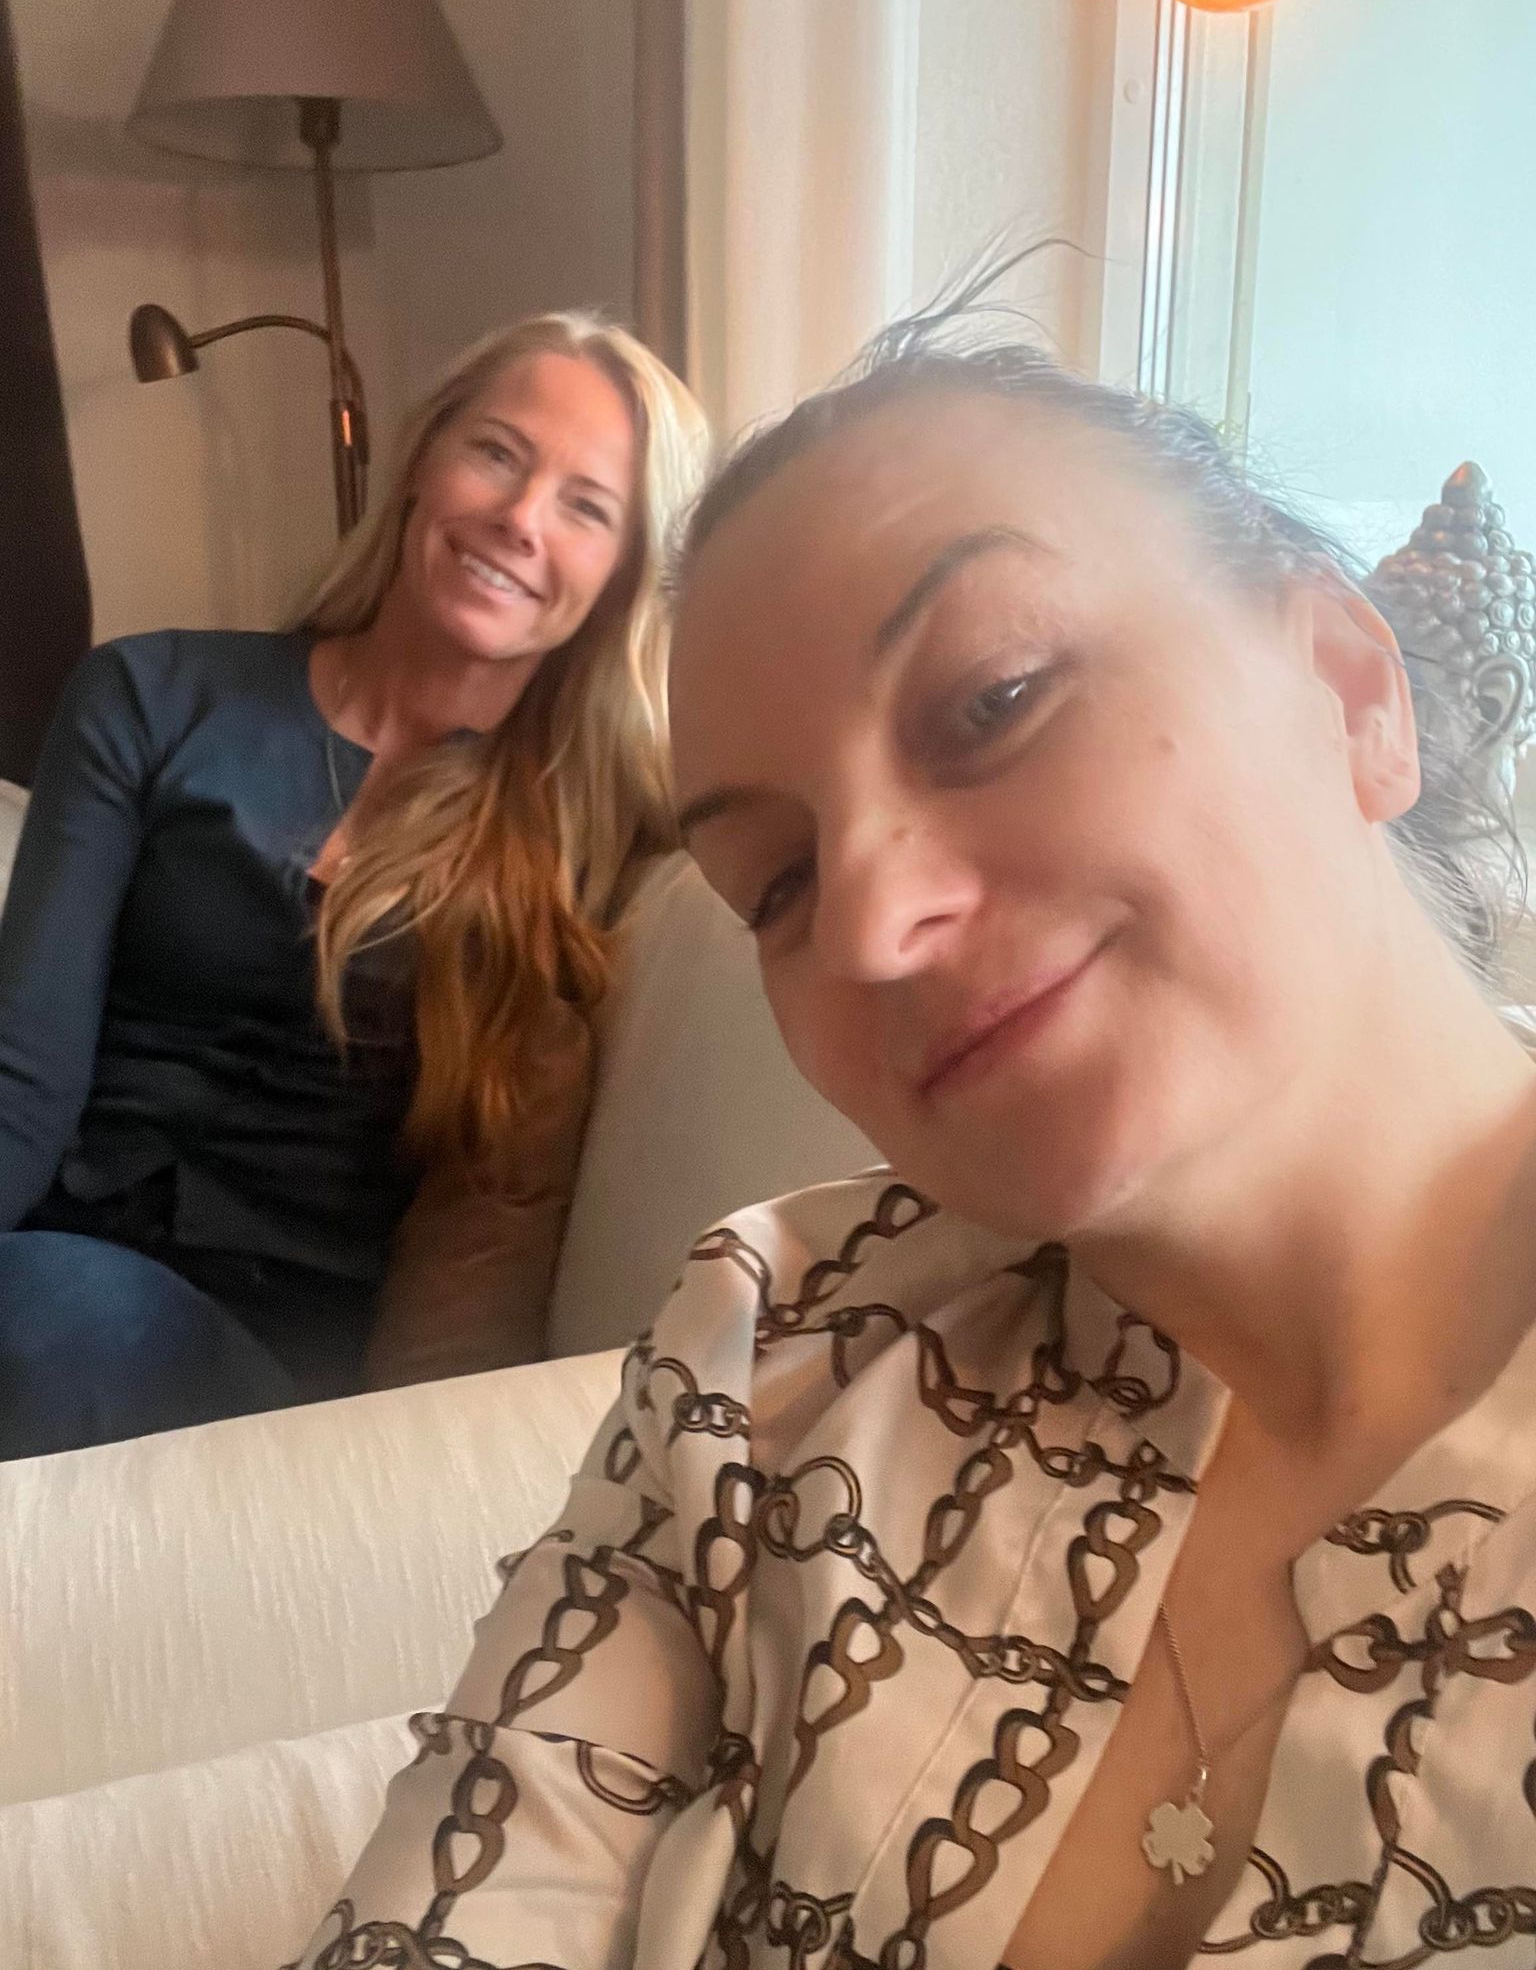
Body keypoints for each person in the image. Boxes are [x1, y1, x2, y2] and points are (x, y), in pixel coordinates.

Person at [291, 297, 1536, 1970]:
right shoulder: (771, 1346)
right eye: (778, 882)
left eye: (993, 699)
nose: (871, 928)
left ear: (1351, 688)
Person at [0, 312, 709, 1461]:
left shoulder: (595, 821)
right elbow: (21, 1075)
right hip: (46, 1264)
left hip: (273, 1356)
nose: (521, 518)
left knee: (48, 1314)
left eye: (587, 506)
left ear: (623, 574)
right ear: (422, 459)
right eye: (497, 453)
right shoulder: (150, 693)